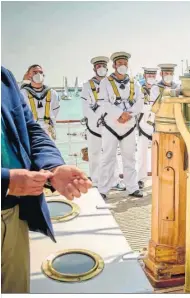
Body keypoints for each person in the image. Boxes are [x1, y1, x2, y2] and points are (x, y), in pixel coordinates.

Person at [1, 66, 92, 293]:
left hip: (13, 214)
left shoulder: (4, 77)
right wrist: (6, 180)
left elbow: (30, 129)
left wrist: (53, 166)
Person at [97, 51, 144, 199]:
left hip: (128, 126)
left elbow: (140, 101)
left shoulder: (134, 83)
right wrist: (119, 114)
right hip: (111, 126)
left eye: (125, 63)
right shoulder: (105, 82)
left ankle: (132, 187)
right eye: (119, 63)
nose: (122, 65)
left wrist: (128, 114)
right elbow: (103, 103)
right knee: (107, 158)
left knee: (130, 158)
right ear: (114, 65)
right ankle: (103, 190)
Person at [80, 56, 125, 191]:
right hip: (94, 125)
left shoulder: (112, 84)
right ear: (94, 68)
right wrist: (95, 120)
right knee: (94, 153)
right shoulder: (87, 86)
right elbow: (85, 107)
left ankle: (115, 180)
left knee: (111, 152)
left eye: (103, 66)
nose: (101, 68)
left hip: (111, 124)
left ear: (107, 67)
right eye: (98, 66)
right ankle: (95, 180)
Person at [19, 64, 60, 140]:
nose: (38, 74)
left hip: (48, 131)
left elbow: (55, 111)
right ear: (29, 75)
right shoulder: (22, 93)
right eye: (35, 72)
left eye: (40, 72)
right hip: (30, 131)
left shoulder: (52, 93)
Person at [136, 67, 158, 189]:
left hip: (157, 126)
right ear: (144, 76)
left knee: (158, 154)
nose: (151, 77)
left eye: (153, 75)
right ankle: (141, 179)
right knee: (142, 154)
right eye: (149, 75)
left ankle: (157, 177)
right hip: (142, 125)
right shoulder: (139, 89)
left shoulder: (159, 89)